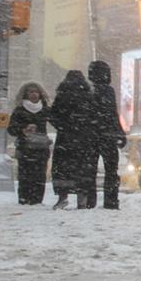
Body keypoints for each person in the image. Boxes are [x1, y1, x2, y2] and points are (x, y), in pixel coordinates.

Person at [49, 70, 97, 210]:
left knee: (63, 168)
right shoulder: (88, 96)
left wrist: (63, 126)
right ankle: (82, 199)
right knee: (82, 169)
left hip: (65, 139)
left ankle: (62, 197)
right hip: (83, 140)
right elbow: (94, 116)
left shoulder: (62, 95)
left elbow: (53, 116)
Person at [87, 61, 127, 210]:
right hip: (107, 135)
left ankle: (90, 201)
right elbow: (112, 114)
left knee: (91, 170)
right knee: (111, 170)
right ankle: (111, 201)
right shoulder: (108, 91)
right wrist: (120, 132)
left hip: (94, 135)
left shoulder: (89, 90)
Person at [8, 82, 52, 205]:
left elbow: (57, 122)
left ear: (40, 94)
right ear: (25, 94)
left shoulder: (45, 110)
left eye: (36, 91)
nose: (33, 94)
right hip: (25, 148)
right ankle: (24, 199)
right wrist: (23, 129)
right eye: (30, 92)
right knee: (24, 175)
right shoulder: (19, 110)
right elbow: (11, 129)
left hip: (41, 148)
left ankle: (37, 199)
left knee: (40, 175)